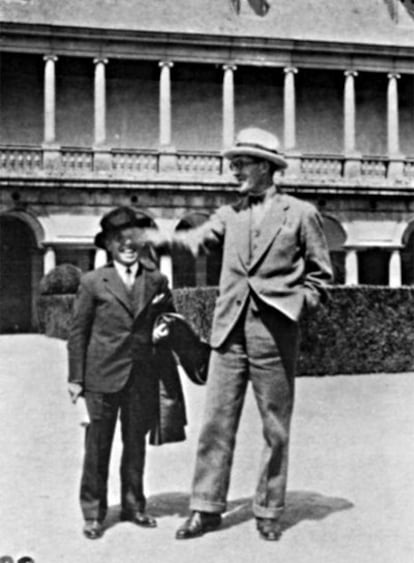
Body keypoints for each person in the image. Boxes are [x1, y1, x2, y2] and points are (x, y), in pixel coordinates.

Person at [148, 127, 333, 541]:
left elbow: (321, 277)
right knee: (215, 423)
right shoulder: (228, 215)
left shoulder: (301, 214)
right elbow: (192, 238)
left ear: (267, 166)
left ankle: (269, 509)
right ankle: (206, 507)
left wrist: (297, 307)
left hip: (275, 334)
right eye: (233, 164)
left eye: (242, 163)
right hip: (227, 334)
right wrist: (144, 241)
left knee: (275, 427)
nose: (234, 171)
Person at [67, 206, 178, 540]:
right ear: (109, 245)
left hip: (141, 376)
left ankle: (133, 505)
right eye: (120, 240)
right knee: (97, 448)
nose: (128, 245)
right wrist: (76, 378)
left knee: (135, 446)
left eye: (133, 239)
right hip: (101, 377)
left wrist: (163, 332)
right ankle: (93, 512)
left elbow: (168, 319)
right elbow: (77, 333)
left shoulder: (156, 279)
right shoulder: (92, 282)